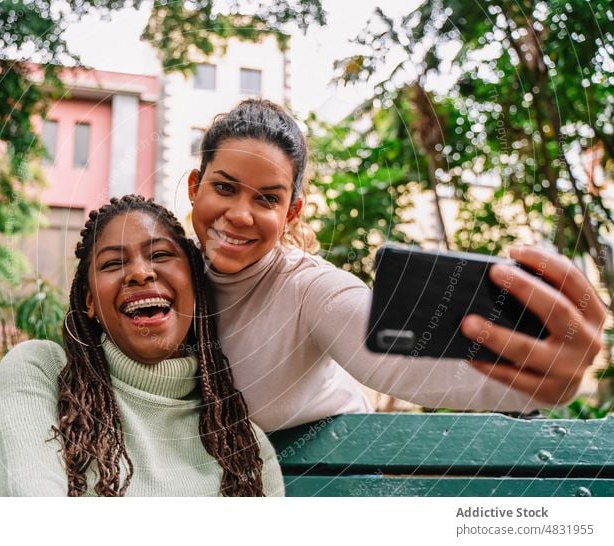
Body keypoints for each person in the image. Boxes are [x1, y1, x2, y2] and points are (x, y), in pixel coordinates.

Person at [187, 98, 607, 432]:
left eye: (267, 198)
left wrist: (537, 373)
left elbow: (394, 358)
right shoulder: (168, 278)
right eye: (224, 188)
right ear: (195, 187)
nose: (241, 215)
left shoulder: (311, 290)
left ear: (291, 213)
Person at [0, 195, 284, 496]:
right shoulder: (43, 372)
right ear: (90, 301)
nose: (139, 272)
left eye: (160, 255)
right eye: (111, 263)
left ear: (193, 283)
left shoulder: (241, 443)